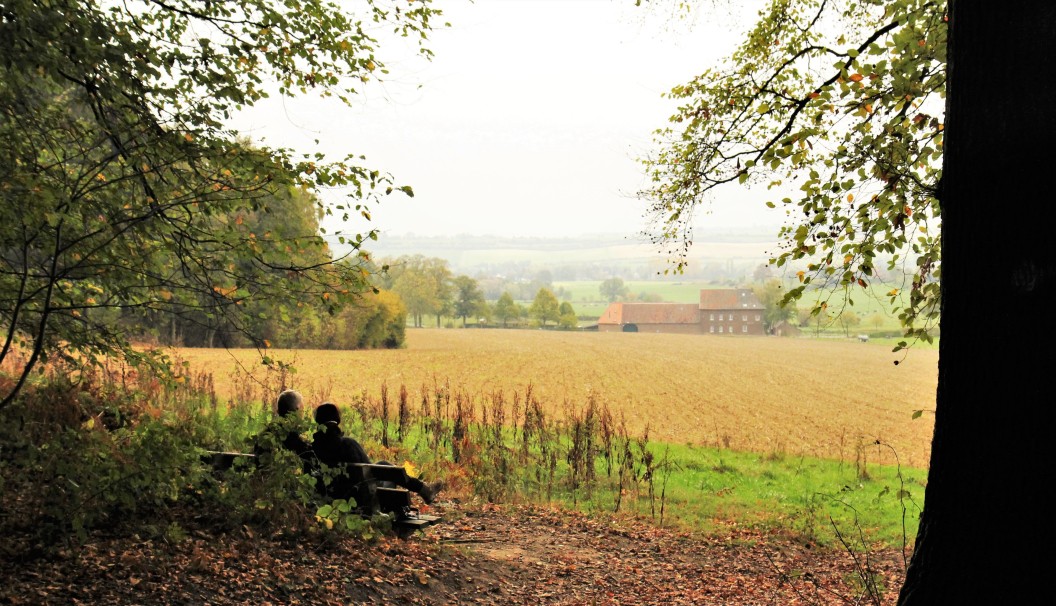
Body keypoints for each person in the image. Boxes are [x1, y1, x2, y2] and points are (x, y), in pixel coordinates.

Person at [311, 402, 443, 505]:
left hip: (330, 497)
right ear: (337, 420)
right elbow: (369, 471)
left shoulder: (312, 448)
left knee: (383, 465)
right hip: (359, 498)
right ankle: (423, 490)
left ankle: (424, 489)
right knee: (385, 470)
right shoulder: (347, 444)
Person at [252, 389, 314, 468]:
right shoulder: (291, 436)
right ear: (297, 410)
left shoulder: (265, 434)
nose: (303, 413)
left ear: (278, 411)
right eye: (302, 409)